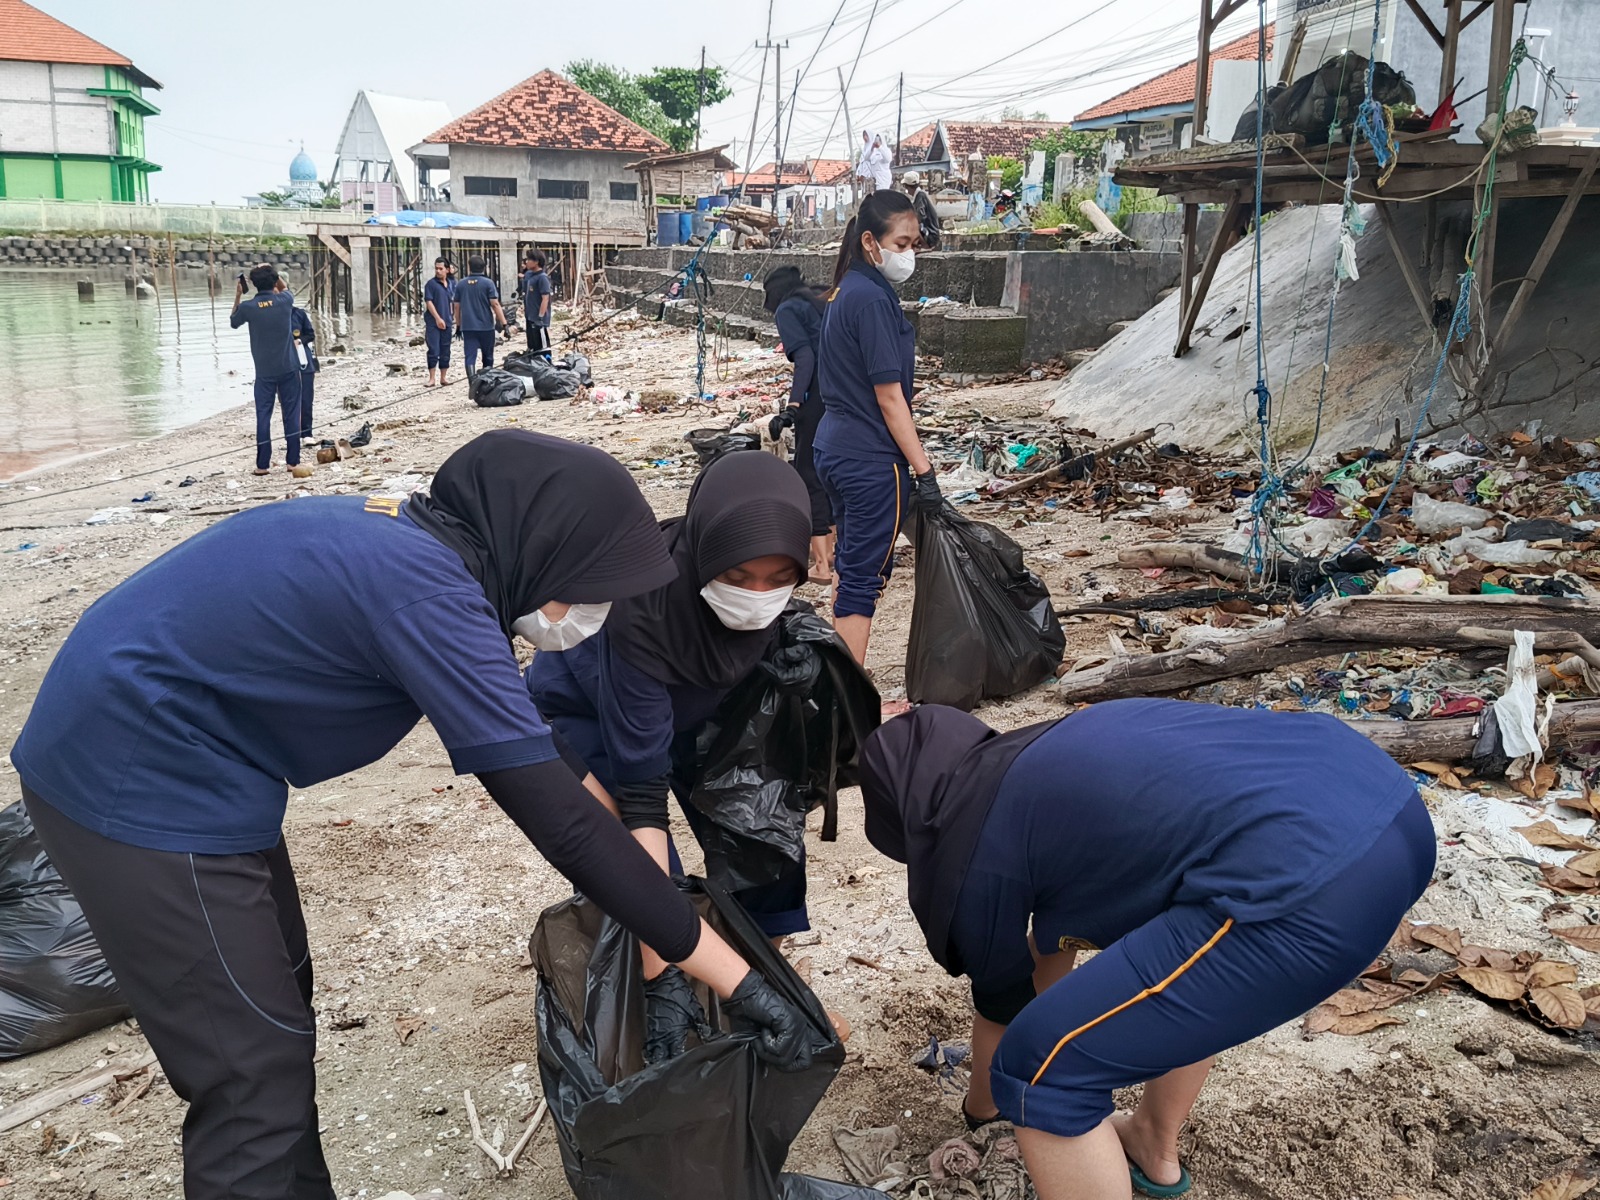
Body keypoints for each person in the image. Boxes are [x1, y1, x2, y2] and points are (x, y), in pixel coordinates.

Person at [10, 430, 814, 1200]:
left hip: (203, 767)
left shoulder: (438, 561)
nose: (594, 609)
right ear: (541, 547)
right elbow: (560, 824)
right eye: (591, 582)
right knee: (248, 1071)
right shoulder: (429, 594)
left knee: (281, 1012)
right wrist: (740, 980)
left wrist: (646, 881)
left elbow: (548, 764)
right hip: (141, 775)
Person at [859, 699, 1436, 1200]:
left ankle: (1126, 1135)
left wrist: (984, 1112)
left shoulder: (970, 843)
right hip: (1386, 805)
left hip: (1313, 883)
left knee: (1040, 1070)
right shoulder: (1042, 759)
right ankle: (1152, 1143)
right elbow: (1055, 954)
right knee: (1182, 963)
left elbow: (1003, 1011)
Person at [527, 451, 814, 968]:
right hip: (590, 708)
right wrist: (662, 968)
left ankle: (770, 974)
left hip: (698, 706)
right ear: (706, 551)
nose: (757, 595)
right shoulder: (643, 607)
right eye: (740, 576)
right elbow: (642, 801)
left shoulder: (772, 596)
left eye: (778, 579)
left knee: (763, 825)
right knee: (624, 859)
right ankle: (666, 989)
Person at [812, 189, 937, 666]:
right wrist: (923, 471)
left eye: (913, 245)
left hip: (834, 447)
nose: (908, 254)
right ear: (870, 241)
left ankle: (838, 674)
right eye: (901, 244)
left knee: (849, 567)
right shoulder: (872, 302)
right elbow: (890, 397)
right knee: (865, 578)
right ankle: (849, 696)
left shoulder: (847, 289)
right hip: (868, 459)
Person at [763, 266, 834, 583]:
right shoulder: (818, 298)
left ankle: (821, 563)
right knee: (831, 468)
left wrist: (793, 406)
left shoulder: (788, 309)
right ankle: (834, 549)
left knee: (809, 471)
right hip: (844, 388)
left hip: (818, 393)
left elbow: (805, 358)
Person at [229, 262, 301, 476]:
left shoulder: (249, 308)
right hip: (288, 367)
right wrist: (272, 270)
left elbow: (233, 322)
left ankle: (262, 465)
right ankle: (292, 462)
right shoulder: (284, 301)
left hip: (264, 372)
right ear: (274, 281)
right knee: (291, 414)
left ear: (252, 283)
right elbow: (286, 287)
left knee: (263, 416)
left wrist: (238, 294)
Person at [277, 277, 319, 442]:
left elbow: (311, 334)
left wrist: (299, 340)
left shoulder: (299, 314)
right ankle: (291, 435)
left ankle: (307, 433)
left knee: (306, 398)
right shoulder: (272, 317)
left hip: (303, 361)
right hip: (282, 364)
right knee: (286, 400)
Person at [453, 255, 506, 379]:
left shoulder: (461, 284)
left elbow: (456, 307)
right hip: (486, 326)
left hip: (468, 327)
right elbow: (495, 304)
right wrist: (504, 323)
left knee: (470, 356)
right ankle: (488, 379)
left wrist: (458, 325)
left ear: (469, 267)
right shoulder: (488, 283)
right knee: (488, 355)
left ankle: (472, 381)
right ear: (484, 268)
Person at [423, 256, 455, 386]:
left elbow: (455, 301)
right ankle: (432, 378)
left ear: (447, 269)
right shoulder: (431, 284)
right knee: (433, 349)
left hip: (447, 321)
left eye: (441, 268)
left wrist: (454, 318)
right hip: (433, 322)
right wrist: (437, 318)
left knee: (445, 350)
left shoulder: (452, 283)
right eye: (436, 268)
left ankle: (443, 377)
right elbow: (428, 302)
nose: (438, 271)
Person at [519, 249, 554, 361]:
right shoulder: (529, 275)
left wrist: (540, 316)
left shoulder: (542, 278)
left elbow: (545, 298)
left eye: (529, 260)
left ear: (537, 262)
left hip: (538, 319)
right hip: (530, 316)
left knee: (542, 346)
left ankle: (547, 363)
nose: (527, 262)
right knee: (532, 344)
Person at [903, 170, 942, 249]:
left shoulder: (920, 196)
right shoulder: (920, 195)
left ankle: (925, 245)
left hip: (931, 235)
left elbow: (920, 217)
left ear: (907, 186)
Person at [855, 130, 891, 194]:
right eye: (875, 139)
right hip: (874, 179)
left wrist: (880, 147)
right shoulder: (873, 152)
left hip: (883, 178)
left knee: (881, 196)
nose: (877, 141)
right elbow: (866, 158)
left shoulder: (886, 150)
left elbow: (888, 159)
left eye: (878, 139)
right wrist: (872, 148)